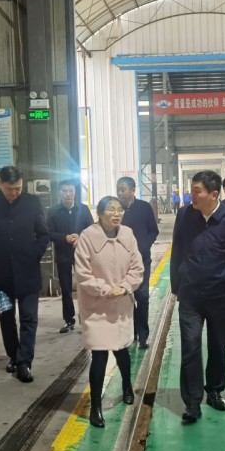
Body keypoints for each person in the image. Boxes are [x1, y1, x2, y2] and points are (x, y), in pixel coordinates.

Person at [171, 170, 225, 423]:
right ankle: (192, 402)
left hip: (222, 296)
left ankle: (214, 391)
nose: (191, 195)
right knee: (190, 347)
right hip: (191, 296)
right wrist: (176, 286)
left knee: (218, 347)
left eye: (197, 191)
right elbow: (177, 250)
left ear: (214, 194)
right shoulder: (185, 215)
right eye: (191, 190)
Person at [75, 196, 145, 428]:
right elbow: (83, 274)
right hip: (96, 306)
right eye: (111, 210)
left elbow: (137, 267)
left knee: (122, 350)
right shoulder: (87, 237)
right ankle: (95, 407)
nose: (116, 214)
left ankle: (127, 385)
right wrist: (106, 290)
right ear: (100, 213)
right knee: (100, 355)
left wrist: (124, 287)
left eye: (119, 210)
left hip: (121, 303)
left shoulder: (128, 234)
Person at [0, 165, 50, 383]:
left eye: (18, 188)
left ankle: (24, 362)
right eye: (10, 189)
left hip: (28, 270)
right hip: (1, 272)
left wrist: (34, 254)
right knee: (7, 318)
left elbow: (43, 234)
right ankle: (14, 356)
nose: (15, 193)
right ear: (0, 184)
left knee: (29, 318)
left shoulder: (32, 203)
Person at [117, 176, 160, 349]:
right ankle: (129, 333)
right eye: (118, 190)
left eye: (123, 189)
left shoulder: (144, 208)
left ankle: (143, 335)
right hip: (120, 263)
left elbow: (153, 231)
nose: (120, 193)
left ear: (133, 190)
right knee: (125, 297)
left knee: (142, 296)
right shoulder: (115, 209)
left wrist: (144, 245)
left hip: (141, 261)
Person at [48, 180, 93, 335]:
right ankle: (69, 320)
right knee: (66, 289)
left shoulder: (83, 209)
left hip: (82, 254)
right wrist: (64, 238)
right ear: (59, 193)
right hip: (63, 255)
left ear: (75, 192)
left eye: (71, 191)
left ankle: (87, 318)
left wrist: (80, 237)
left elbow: (92, 229)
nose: (68, 194)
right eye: (64, 191)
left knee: (85, 287)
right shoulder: (53, 211)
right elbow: (48, 233)